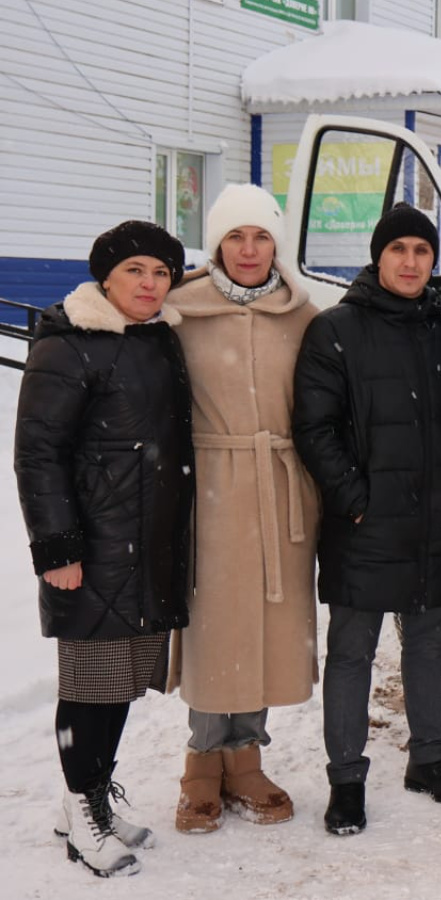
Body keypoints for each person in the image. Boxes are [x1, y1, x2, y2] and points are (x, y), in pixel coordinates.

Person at [293, 205, 441, 835]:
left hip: (438, 521)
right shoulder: (335, 331)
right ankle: (347, 779)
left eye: (422, 251)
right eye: (398, 249)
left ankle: (430, 760)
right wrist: (356, 499)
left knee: (429, 645)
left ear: (434, 261)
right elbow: (315, 428)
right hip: (366, 523)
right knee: (352, 651)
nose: (410, 262)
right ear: (378, 257)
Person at [15, 220, 194, 877]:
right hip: (93, 548)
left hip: (146, 548)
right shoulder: (69, 343)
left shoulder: (158, 338)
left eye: (161, 272)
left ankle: (87, 799)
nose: (149, 284)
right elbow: (38, 453)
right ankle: (80, 812)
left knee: (118, 685)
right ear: (105, 278)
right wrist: (57, 546)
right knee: (90, 686)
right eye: (134, 271)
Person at [164, 185, 319, 834]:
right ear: (217, 244)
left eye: (260, 237)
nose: (249, 250)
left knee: (269, 629)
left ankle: (246, 758)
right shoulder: (179, 310)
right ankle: (202, 763)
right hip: (209, 489)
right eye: (235, 236)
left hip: (281, 485)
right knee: (214, 629)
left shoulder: (303, 314)